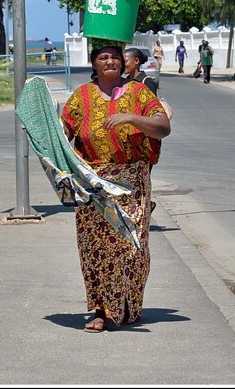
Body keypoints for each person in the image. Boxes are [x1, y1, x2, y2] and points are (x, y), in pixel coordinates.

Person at [61, 43, 171, 333]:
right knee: (94, 248)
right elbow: (64, 133)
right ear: (94, 64)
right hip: (92, 184)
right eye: (102, 57)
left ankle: (124, 303)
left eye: (114, 57)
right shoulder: (80, 97)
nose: (109, 61)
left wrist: (131, 118)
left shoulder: (138, 93)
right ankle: (101, 309)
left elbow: (162, 127)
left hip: (131, 182)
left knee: (129, 246)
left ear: (123, 63)